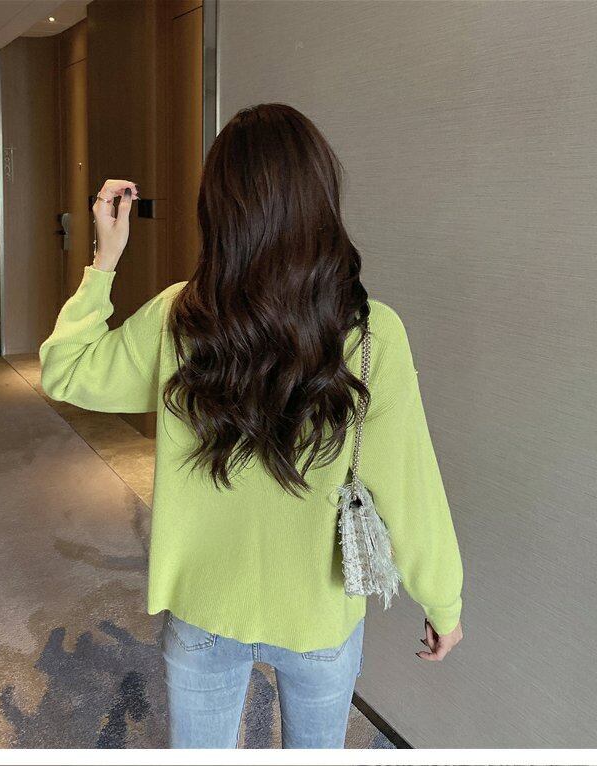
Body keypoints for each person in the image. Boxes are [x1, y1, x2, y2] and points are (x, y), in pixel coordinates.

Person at [39, 103, 464, 749]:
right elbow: (411, 489)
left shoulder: (180, 317)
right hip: (318, 613)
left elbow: (65, 370)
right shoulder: (372, 333)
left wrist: (105, 259)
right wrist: (443, 602)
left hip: (206, 607)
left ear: (219, 210)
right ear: (320, 201)